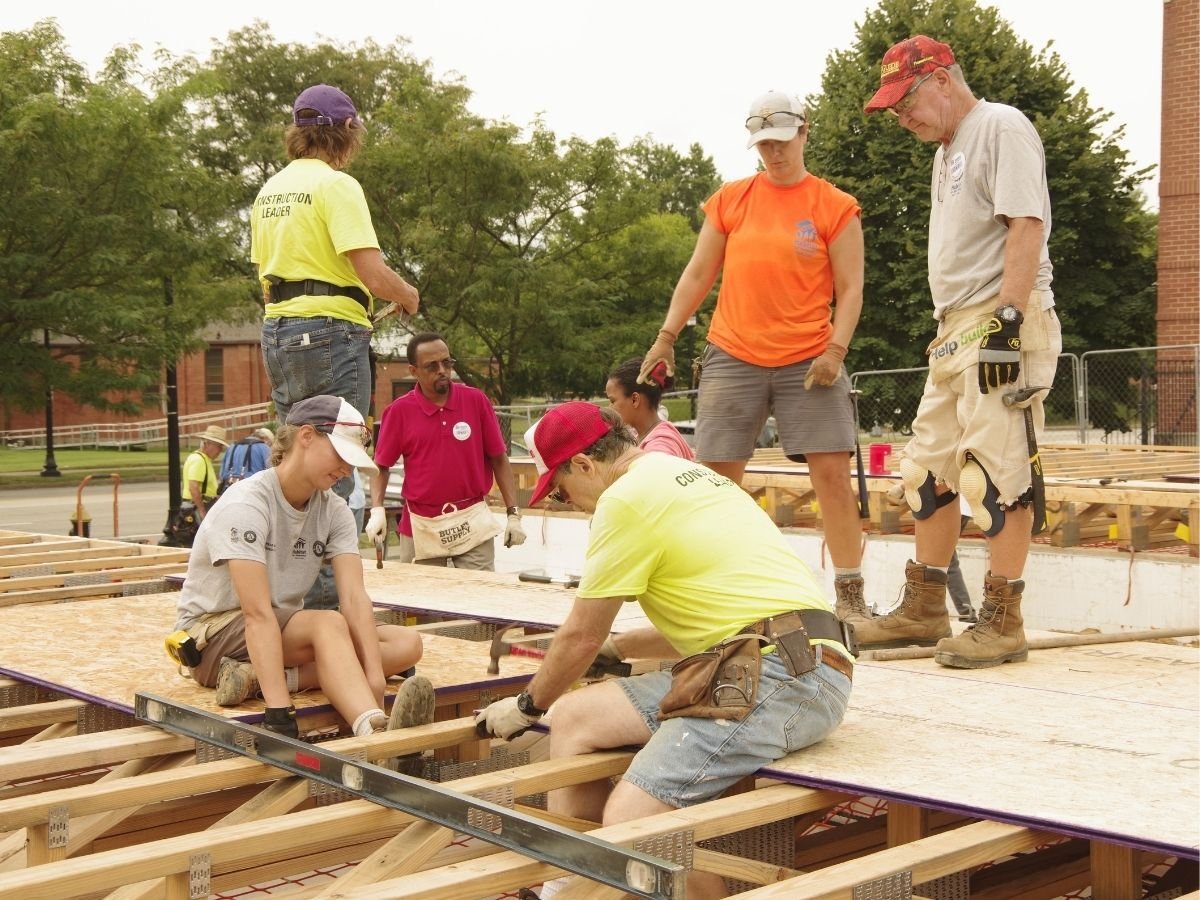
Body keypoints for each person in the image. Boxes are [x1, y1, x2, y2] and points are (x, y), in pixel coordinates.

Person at [474, 402, 853, 900]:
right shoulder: (682, 473)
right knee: (575, 718)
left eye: (563, 491)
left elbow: (580, 635)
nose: (569, 503)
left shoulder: (625, 500)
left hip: (785, 677)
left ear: (585, 465)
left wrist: (526, 707)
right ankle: (564, 885)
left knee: (636, 820)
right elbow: (721, 615)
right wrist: (623, 647)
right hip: (780, 659)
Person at [858, 36, 1062, 668]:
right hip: (957, 326)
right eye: (892, 108)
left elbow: (1026, 223)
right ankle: (924, 609)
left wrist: (1007, 317)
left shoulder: (999, 125)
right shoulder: (948, 149)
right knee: (928, 470)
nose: (901, 117)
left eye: (906, 101)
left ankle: (1004, 619)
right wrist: (951, 324)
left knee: (998, 468)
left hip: (998, 317)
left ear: (942, 79)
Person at [638, 90, 870, 630]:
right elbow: (699, 273)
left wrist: (836, 349)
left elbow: (852, 287)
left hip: (811, 360)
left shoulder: (834, 206)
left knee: (832, 475)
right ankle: (719, 589)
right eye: (763, 144)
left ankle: (851, 596)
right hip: (733, 354)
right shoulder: (732, 200)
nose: (774, 153)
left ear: (804, 133)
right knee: (717, 479)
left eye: (782, 142)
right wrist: (666, 336)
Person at [172, 394, 431, 745]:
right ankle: (372, 728)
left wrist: (375, 679)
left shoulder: (334, 510)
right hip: (213, 638)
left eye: (352, 462)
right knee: (327, 624)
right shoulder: (246, 504)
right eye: (341, 455)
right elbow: (256, 614)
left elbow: (354, 597)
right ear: (306, 437)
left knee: (405, 644)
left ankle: (251, 678)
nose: (346, 470)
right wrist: (279, 713)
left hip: (277, 635)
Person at [250, 82, 419, 454]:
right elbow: (372, 276)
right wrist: (406, 294)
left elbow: (264, 274)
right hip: (330, 334)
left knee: (297, 459)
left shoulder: (269, 191)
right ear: (346, 131)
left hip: (277, 335)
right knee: (338, 459)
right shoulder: (336, 185)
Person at [365, 332, 526, 569]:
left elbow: (498, 458)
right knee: (420, 602)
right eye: (431, 366)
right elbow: (381, 465)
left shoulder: (475, 401)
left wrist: (513, 513)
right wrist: (377, 508)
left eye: (447, 362)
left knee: (478, 598)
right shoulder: (399, 412)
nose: (442, 370)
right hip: (421, 524)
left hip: (471, 519)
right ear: (413, 371)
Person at [605, 356, 694, 459]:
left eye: (612, 401)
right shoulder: (639, 434)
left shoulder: (660, 448)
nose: (610, 408)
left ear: (635, 400)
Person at [182, 425, 229, 522]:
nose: (220, 450)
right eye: (219, 446)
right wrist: (202, 511)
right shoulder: (199, 460)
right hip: (198, 507)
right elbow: (193, 487)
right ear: (207, 444)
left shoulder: (202, 458)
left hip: (196, 506)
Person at [217, 427, 275, 495]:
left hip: (229, 490)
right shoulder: (264, 447)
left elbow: (222, 474)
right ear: (266, 439)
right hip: (252, 492)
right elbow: (272, 473)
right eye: (270, 444)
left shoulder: (232, 446)